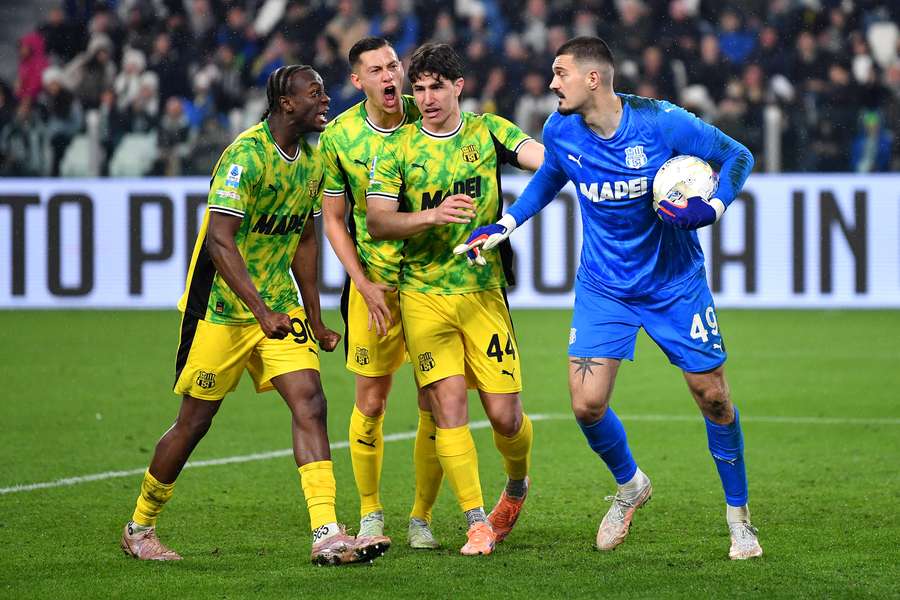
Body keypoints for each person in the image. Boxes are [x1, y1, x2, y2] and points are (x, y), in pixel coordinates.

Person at [458, 36, 761, 560]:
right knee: (586, 404)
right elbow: (552, 174)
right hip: (605, 286)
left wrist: (710, 209)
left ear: (592, 79)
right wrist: (506, 223)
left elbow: (738, 155)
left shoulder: (661, 122)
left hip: (674, 283)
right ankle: (630, 486)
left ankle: (740, 521)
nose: (551, 83)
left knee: (713, 397)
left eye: (560, 73)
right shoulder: (561, 129)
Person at [120, 65, 388, 566]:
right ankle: (140, 525)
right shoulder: (246, 155)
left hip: (278, 308)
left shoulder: (309, 162)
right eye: (316, 93)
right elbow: (220, 241)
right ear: (287, 103)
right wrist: (258, 310)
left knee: (310, 400)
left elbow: (305, 240)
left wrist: (315, 315)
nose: (326, 99)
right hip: (221, 310)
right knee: (194, 423)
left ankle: (327, 532)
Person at [366, 43, 544, 556]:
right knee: (448, 410)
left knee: (506, 417)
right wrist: (431, 216)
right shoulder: (397, 149)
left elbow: (545, 161)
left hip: (483, 293)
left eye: (435, 87)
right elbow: (378, 220)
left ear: (457, 87)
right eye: (417, 88)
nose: (425, 98)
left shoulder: (489, 131)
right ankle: (476, 522)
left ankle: (515, 484)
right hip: (423, 296)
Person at [319, 37, 444, 549]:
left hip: (432, 283)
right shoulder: (340, 136)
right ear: (359, 81)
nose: (390, 76)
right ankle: (370, 513)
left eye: (394, 64)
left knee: (435, 401)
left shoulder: (428, 114)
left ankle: (421, 517)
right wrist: (363, 282)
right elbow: (332, 219)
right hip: (373, 284)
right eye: (378, 69)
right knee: (370, 402)